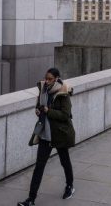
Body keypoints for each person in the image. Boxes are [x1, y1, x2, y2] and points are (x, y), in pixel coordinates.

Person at [19, 68, 76, 206]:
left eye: (50, 79)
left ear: (56, 79)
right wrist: (38, 110)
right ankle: (31, 199)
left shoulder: (63, 93)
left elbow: (65, 115)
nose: (47, 81)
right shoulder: (43, 89)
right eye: (46, 78)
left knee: (65, 162)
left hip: (59, 134)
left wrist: (49, 111)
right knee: (39, 167)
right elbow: (40, 105)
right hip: (45, 135)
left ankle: (69, 186)